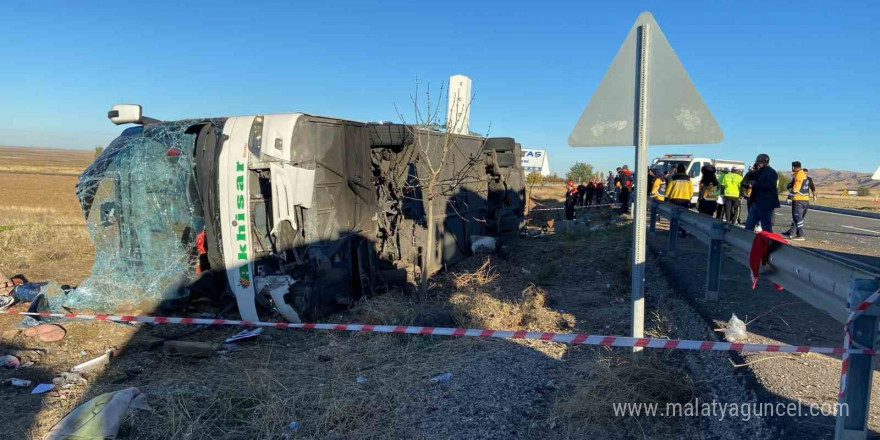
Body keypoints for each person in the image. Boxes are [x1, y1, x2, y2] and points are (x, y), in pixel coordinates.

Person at [744, 154, 780, 232]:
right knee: (749, 224)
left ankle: (767, 242)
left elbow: (770, 186)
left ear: (765, 162)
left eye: (758, 161)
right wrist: (750, 173)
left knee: (766, 226)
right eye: (756, 161)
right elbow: (747, 180)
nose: (756, 163)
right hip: (756, 202)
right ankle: (748, 240)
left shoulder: (770, 172)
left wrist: (755, 184)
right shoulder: (759, 171)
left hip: (765, 203)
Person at [782, 161, 810, 241]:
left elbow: (796, 189)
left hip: (798, 199)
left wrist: (790, 196)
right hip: (805, 199)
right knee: (798, 217)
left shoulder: (798, 175)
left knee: (797, 217)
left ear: (793, 167)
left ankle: (800, 235)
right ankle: (790, 232)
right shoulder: (803, 174)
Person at [666, 164, 692, 237]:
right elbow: (691, 191)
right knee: (684, 218)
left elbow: (668, 189)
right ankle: (683, 233)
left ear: (677, 170)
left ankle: (673, 233)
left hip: (674, 199)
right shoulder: (688, 179)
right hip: (685, 200)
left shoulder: (673, 178)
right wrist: (689, 198)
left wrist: (667, 197)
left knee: (674, 217)